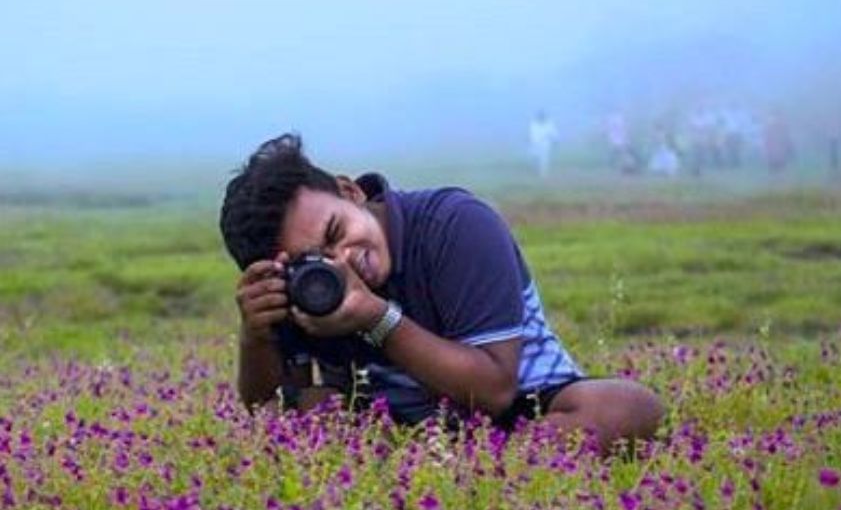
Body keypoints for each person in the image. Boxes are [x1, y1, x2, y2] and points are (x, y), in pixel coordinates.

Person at [219, 133, 663, 451]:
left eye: (337, 231)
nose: (344, 260)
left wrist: (375, 318)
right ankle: (471, 471)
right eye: (315, 261)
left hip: (525, 413)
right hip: (390, 431)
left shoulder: (456, 224)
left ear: (349, 191)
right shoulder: (301, 293)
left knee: (625, 409)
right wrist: (256, 335)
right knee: (296, 418)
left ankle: (448, 473)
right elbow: (272, 407)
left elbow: (494, 391)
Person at [528, 109, 559, 179]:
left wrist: (555, 140)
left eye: (542, 116)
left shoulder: (549, 124)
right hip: (534, 144)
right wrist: (529, 140)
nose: (541, 117)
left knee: (544, 159)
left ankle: (543, 174)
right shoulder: (533, 124)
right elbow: (531, 134)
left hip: (545, 144)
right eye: (540, 116)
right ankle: (536, 171)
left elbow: (554, 133)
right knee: (535, 158)